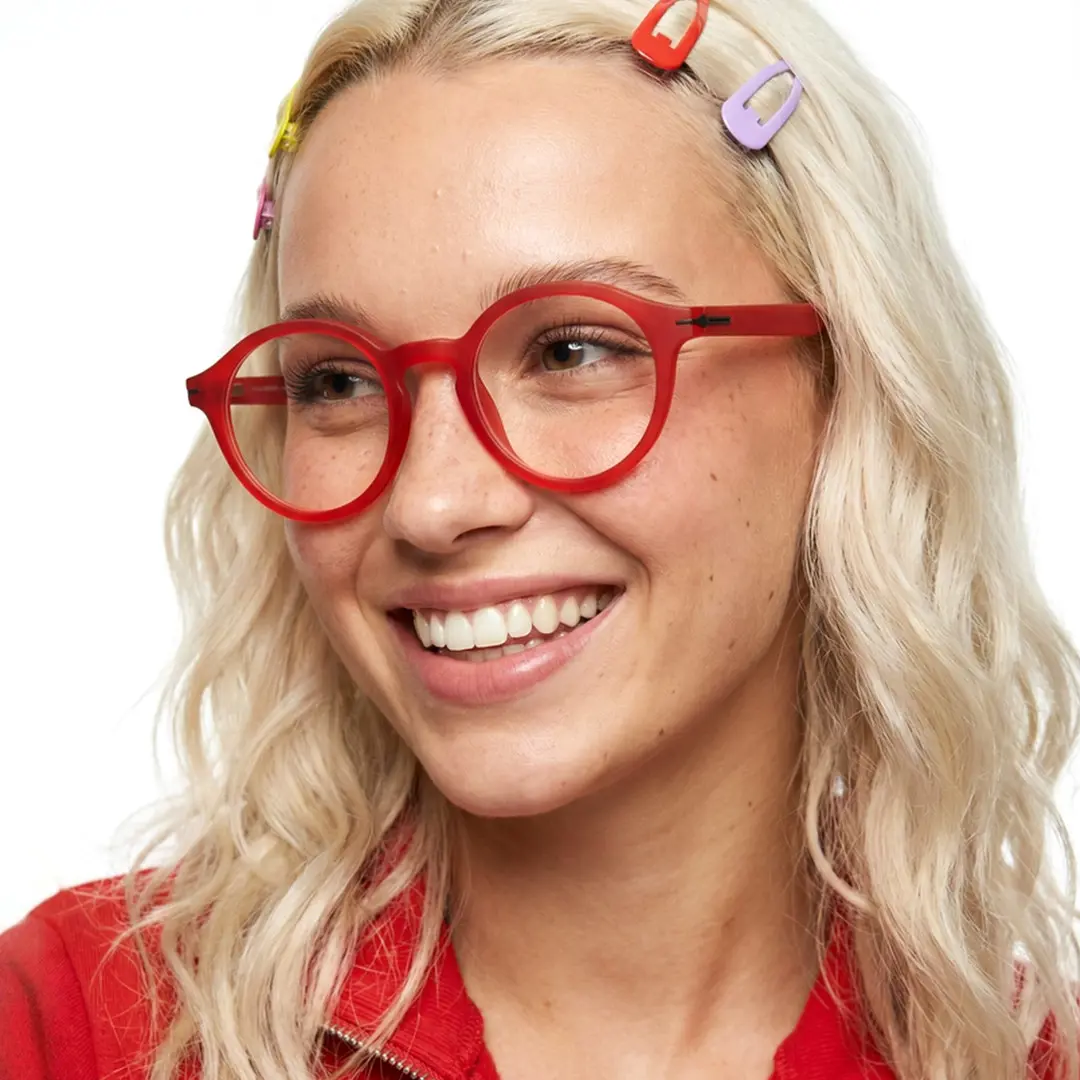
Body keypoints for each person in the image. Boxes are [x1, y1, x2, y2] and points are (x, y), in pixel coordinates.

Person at [2, 0, 1078, 1077]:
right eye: (338, 380)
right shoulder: (74, 1028)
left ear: (848, 386)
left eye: (571, 350)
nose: (430, 502)